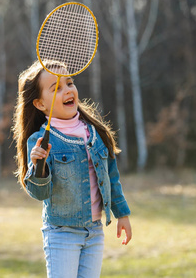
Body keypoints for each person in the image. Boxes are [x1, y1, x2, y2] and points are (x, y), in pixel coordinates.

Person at [12, 60, 132, 278]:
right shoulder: (40, 141)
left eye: (69, 83)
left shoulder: (95, 133)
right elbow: (40, 193)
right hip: (62, 233)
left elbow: (111, 176)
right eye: (56, 88)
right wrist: (39, 164)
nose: (67, 90)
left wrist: (122, 213)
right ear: (40, 104)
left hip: (94, 232)